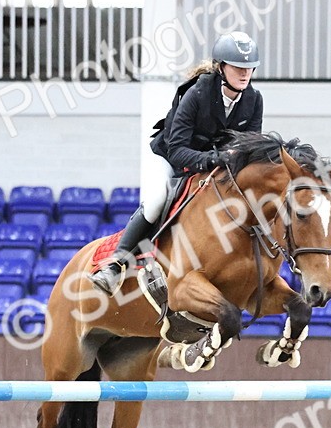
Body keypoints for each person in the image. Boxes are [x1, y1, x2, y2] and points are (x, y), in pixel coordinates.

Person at [89, 31, 265, 295]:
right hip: (171, 158)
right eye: (238, 67)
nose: (245, 74)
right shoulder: (197, 94)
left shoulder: (254, 100)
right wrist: (214, 159)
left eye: (249, 68)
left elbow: (248, 147)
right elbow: (177, 150)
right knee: (158, 199)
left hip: (213, 166)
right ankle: (114, 265)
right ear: (221, 67)